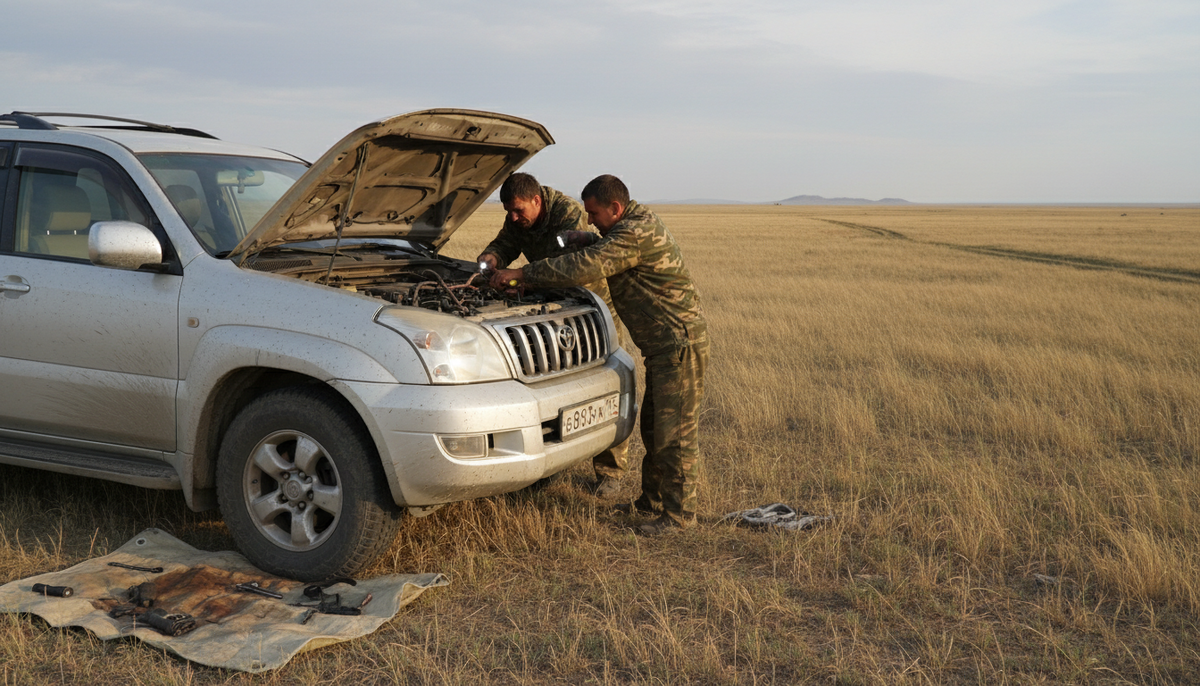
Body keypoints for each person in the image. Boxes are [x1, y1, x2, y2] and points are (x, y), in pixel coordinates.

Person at [490, 174, 709, 535]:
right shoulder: (629, 227)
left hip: (678, 347)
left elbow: (587, 265)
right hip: (663, 349)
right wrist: (588, 238)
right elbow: (602, 247)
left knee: (675, 434)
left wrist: (523, 273)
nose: (588, 219)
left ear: (615, 208)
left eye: (593, 214)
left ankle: (680, 516)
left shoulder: (636, 233)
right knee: (655, 427)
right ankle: (651, 502)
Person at [477, 173, 632, 496]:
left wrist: (518, 278)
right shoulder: (518, 218)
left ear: (537, 201)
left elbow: (566, 268)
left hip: (588, 305)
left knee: (603, 384)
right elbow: (506, 242)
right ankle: (545, 463)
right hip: (549, 307)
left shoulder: (568, 214)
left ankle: (610, 471)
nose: (514, 217)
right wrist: (491, 258)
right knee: (548, 388)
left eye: (519, 210)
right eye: (509, 211)